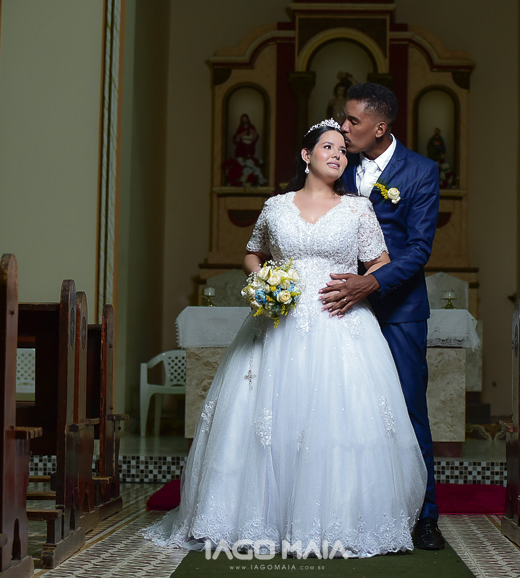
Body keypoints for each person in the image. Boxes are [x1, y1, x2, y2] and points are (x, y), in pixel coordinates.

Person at [142, 120, 427, 557]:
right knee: (268, 416)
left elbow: (381, 261)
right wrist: (263, 282)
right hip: (277, 324)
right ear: (306, 155)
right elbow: (252, 253)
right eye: (328, 147)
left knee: (337, 415)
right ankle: (257, 519)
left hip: (340, 322)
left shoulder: (358, 209)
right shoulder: (275, 206)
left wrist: (358, 285)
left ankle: (340, 520)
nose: (338, 155)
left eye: (343, 150)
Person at [319, 83, 444, 550]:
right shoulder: (338, 163)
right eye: (343, 118)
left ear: (380, 127)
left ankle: (425, 517)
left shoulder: (421, 171)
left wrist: (370, 283)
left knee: (409, 411)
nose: (343, 127)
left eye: (352, 120)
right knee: (342, 410)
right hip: (340, 309)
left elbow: (419, 249)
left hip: (399, 311)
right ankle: (351, 511)